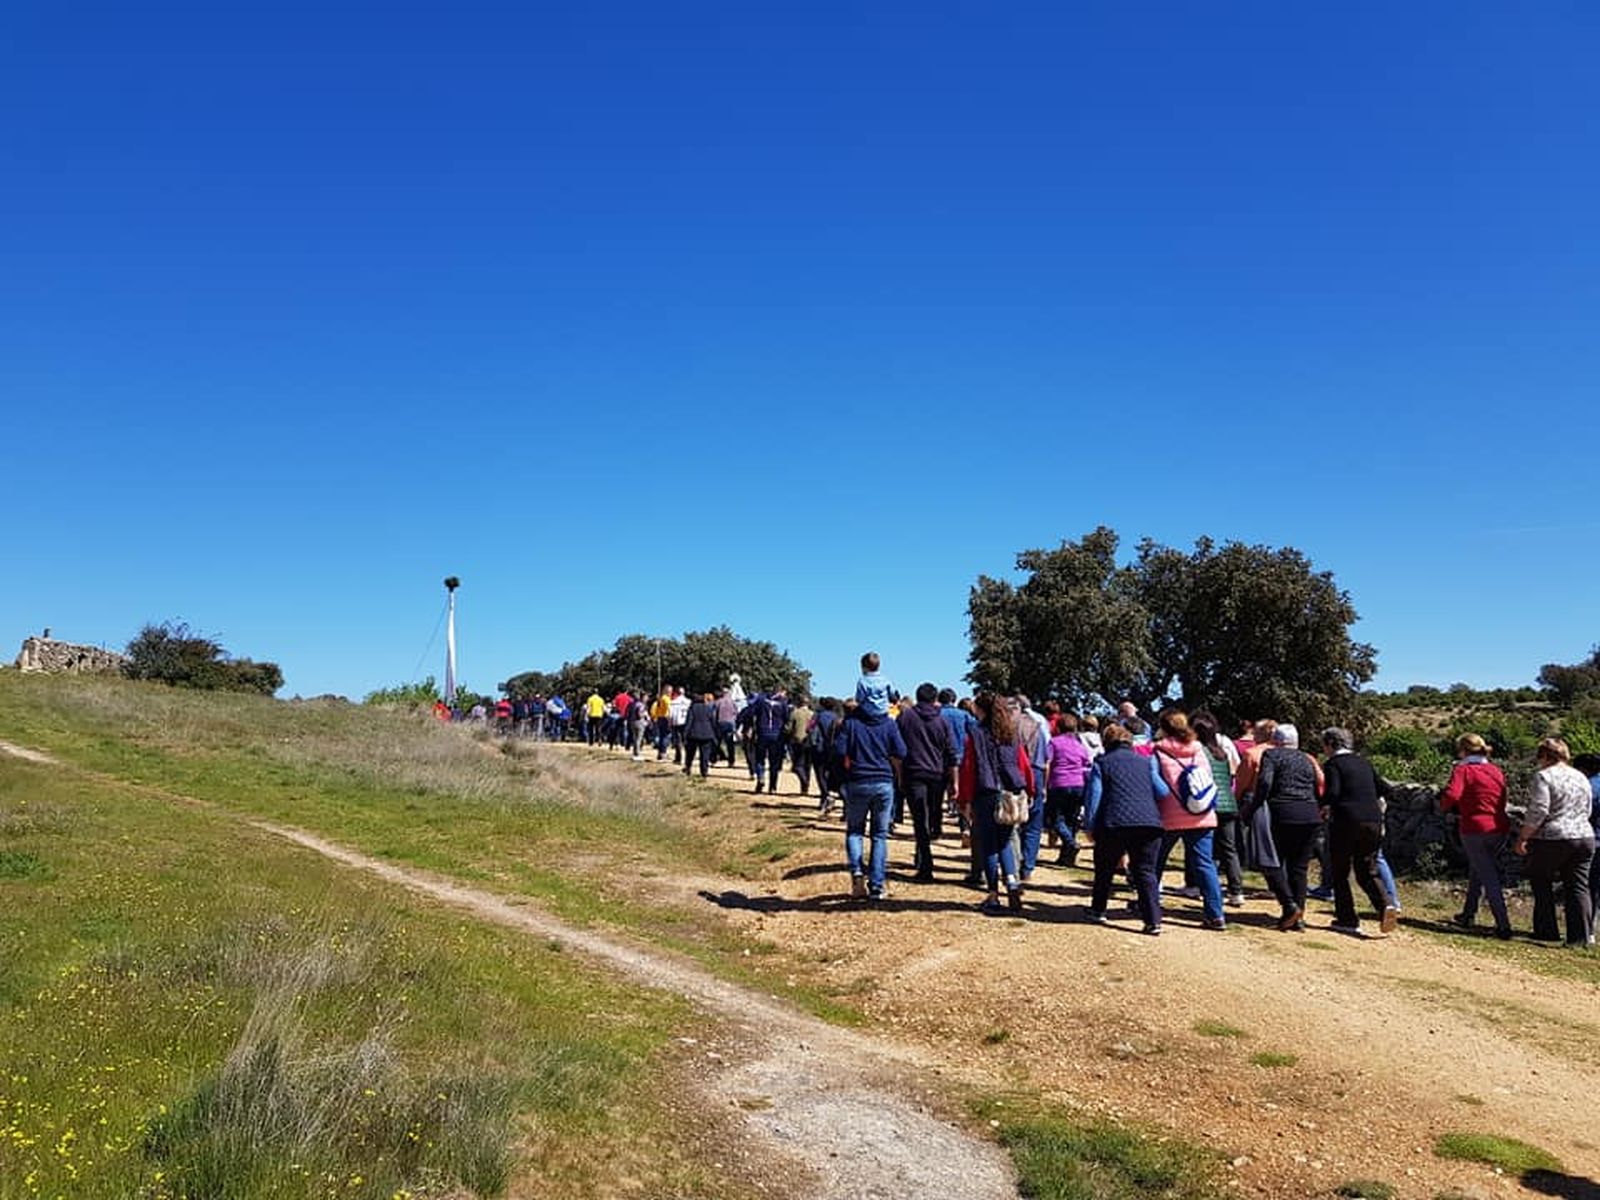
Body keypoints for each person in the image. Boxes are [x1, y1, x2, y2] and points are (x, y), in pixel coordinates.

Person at [1081, 722, 1171, 934]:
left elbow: (1094, 798)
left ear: (1106, 743)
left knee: (1105, 869)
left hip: (1114, 823)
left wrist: (1090, 826)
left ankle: (1098, 909)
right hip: (1149, 823)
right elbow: (1163, 791)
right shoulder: (1147, 762)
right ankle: (1153, 920)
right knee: (1146, 872)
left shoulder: (1102, 763)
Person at [957, 692, 1033, 914]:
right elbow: (1023, 763)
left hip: (986, 793)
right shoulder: (1011, 733)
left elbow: (969, 768)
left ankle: (993, 894)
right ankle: (1012, 882)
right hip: (1011, 791)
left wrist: (964, 799)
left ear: (981, 710)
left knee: (989, 845)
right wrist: (1030, 789)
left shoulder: (976, 734)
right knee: (1005, 841)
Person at [1320, 727, 1400, 936]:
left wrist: (1322, 804)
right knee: (1367, 869)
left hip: (1346, 820)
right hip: (1372, 820)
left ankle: (1347, 919)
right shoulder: (1364, 762)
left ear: (1330, 744)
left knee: (1340, 870)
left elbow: (1333, 792)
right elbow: (1385, 788)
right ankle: (1385, 906)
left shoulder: (1333, 764)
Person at [1515, 738, 1595, 946]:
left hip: (1553, 836)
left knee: (1540, 879)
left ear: (1544, 756)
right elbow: (1587, 808)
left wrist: (1524, 836)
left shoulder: (1544, 776)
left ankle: (1546, 930)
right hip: (1584, 835)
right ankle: (1580, 937)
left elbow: (1539, 809)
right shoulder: (1581, 777)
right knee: (1578, 887)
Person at [1151, 712, 1227, 931]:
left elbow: (1156, 783)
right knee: (1205, 865)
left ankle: (1149, 903)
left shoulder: (1159, 751)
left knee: (1155, 862)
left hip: (1169, 815)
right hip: (1201, 814)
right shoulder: (1199, 750)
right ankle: (1215, 914)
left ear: (1164, 728)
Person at [1247, 723, 1325, 932]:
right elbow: (1317, 786)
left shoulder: (1272, 756)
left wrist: (1252, 808)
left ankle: (1288, 905)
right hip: (1310, 815)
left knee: (1272, 862)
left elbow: (1265, 783)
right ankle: (1298, 917)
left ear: (1276, 741)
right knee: (1299, 868)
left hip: (1283, 812)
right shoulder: (1307, 758)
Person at [1437, 733, 1511, 938]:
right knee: (1479, 869)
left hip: (1475, 827)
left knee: (1488, 875)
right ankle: (1468, 914)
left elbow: (1452, 794)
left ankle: (1503, 924)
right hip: (1499, 826)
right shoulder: (1495, 770)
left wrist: (1442, 806)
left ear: (1463, 750)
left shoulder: (1463, 770)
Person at [834, 695, 907, 901]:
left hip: (857, 781)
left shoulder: (851, 723)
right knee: (879, 835)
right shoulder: (888, 724)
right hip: (883, 781)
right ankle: (876, 885)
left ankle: (857, 872)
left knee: (855, 830)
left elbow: (839, 750)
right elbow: (901, 751)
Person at [897, 683, 957, 882]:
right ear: (934, 699)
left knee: (919, 818)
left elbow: (896, 747)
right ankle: (924, 854)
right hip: (936, 774)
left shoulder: (905, 717)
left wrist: (899, 775)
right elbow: (950, 752)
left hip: (913, 772)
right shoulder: (942, 721)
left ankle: (925, 861)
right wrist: (953, 780)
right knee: (932, 814)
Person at [1192, 714, 1245, 906]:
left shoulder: (1198, 752)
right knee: (1229, 849)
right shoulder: (1221, 752)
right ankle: (1236, 890)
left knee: (1204, 850)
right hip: (1228, 803)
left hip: (1209, 804)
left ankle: (1203, 886)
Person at [1045, 714, 1093, 867]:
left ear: (1058, 727)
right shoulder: (1079, 745)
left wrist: (1044, 785)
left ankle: (1070, 843)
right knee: (1071, 820)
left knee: (1055, 818)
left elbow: (1047, 763)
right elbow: (1086, 763)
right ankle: (1066, 857)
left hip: (1059, 783)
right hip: (1078, 784)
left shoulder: (1054, 742)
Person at [1014, 695, 1052, 882]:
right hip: (1036, 772)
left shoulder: (1010, 725)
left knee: (1012, 820)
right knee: (1034, 823)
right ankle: (1028, 866)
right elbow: (1046, 759)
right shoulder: (1040, 725)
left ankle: (1013, 861)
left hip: (1015, 772)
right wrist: (1044, 785)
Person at [747, 689, 790, 793]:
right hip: (776, 735)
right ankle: (773, 787)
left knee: (760, 758)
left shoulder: (761, 701)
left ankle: (761, 777)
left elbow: (751, 714)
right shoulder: (783, 703)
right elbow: (787, 718)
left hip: (762, 733)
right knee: (774, 762)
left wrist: (750, 728)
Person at [1575, 752, 1600, 918]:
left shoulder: (1588, 787)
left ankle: (1584, 927)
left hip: (1592, 838)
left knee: (1584, 885)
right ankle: (1591, 926)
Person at [681, 692, 719, 778]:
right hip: (707, 734)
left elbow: (689, 722)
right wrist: (715, 734)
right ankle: (704, 772)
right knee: (704, 754)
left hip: (693, 734)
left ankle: (688, 767)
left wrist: (685, 734)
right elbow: (713, 722)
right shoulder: (708, 709)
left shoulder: (692, 709)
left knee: (690, 753)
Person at [854, 651, 898, 719]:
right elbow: (892, 695)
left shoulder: (862, 682)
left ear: (864, 668)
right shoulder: (885, 680)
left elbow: (859, 699)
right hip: (883, 713)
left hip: (867, 714)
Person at [786, 694, 815, 794]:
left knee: (797, 765)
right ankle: (805, 788)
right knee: (807, 765)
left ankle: (804, 782)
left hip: (797, 741)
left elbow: (789, 728)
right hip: (810, 742)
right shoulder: (813, 714)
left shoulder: (794, 713)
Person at [714, 688, 740, 767]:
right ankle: (731, 761)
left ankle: (714, 759)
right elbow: (736, 713)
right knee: (730, 743)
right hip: (730, 724)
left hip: (721, 723)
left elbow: (715, 713)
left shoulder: (718, 702)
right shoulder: (733, 702)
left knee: (716, 742)